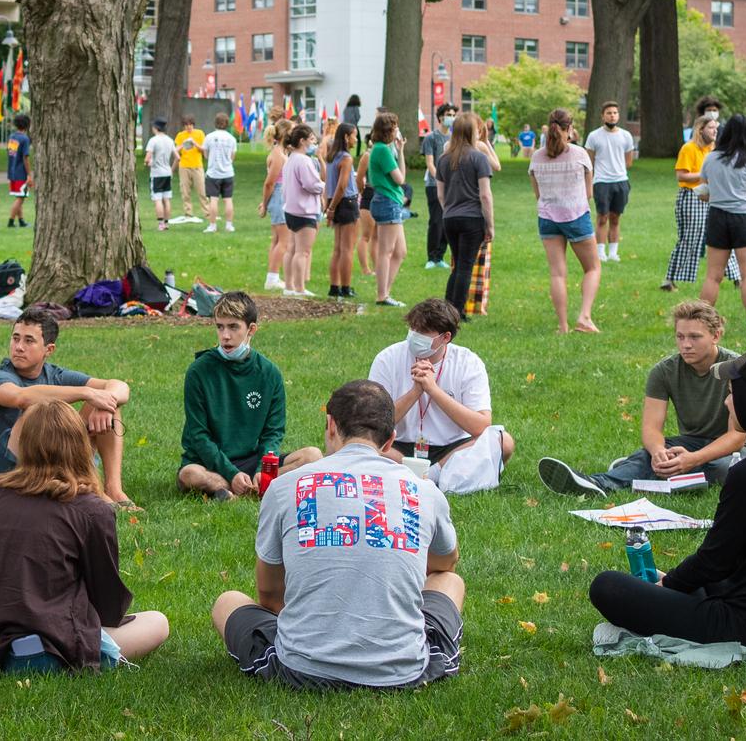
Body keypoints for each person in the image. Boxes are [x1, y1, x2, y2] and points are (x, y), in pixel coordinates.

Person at [211, 380, 464, 690]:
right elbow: (445, 564)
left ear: (331, 425)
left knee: (228, 601)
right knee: (450, 582)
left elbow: (269, 596)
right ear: (390, 441)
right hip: (403, 669)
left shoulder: (284, 488)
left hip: (301, 667)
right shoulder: (424, 491)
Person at [587, 347, 746, 643]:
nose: (726, 402)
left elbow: (716, 560)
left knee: (608, 586)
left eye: (733, 393)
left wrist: (669, 584)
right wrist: (675, 581)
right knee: (681, 583)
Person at [0, 401, 169, 671]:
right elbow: (106, 600)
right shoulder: (92, 509)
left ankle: (0, 643)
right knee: (157, 622)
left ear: (26, 446)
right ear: (80, 445)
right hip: (56, 641)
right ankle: (39, 654)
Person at [538, 300, 746, 497]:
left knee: (724, 469)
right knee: (655, 454)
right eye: (680, 337)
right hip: (690, 443)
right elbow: (651, 428)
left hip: (739, 450)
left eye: (695, 337)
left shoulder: (737, 369)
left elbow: (736, 437)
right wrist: (657, 452)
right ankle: (598, 483)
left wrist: (693, 459)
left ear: (716, 336)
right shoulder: (664, 371)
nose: (686, 345)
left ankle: (637, 469)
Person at [0, 307, 136, 508]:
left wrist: (105, 402)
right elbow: (21, 398)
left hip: (50, 458)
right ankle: (88, 488)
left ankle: (113, 489)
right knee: (34, 412)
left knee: (108, 403)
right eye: (15, 338)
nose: (18, 347)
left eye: (29, 341)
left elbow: (120, 386)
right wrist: (87, 393)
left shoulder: (54, 374)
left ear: (49, 349)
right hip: (6, 470)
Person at [177, 291, 323, 500]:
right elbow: (198, 435)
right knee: (189, 474)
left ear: (251, 329)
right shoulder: (199, 371)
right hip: (209, 462)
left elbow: (273, 432)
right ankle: (245, 487)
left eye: (233, 327)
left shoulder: (269, 373)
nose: (225, 335)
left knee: (313, 456)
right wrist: (231, 473)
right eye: (220, 327)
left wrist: (263, 469)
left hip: (252, 458)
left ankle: (244, 487)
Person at [368, 298, 513, 490]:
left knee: (504, 442)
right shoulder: (387, 358)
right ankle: (428, 475)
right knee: (358, 442)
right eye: (413, 329)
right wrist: (415, 392)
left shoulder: (468, 362)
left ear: (446, 337)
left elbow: (481, 425)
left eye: (423, 333)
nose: (414, 336)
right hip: (396, 446)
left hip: (451, 449)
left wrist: (433, 390)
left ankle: (434, 473)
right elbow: (373, 423)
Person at [526, 108, 600, 334]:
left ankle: (562, 326)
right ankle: (584, 317)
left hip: (547, 218)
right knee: (593, 268)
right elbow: (588, 192)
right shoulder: (579, 154)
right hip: (576, 215)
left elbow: (537, 194)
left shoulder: (537, 156)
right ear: (569, 128)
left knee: (557, 273)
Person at [699, 114, 746, 333]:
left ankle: (700, 321)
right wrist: (743, 203)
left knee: (713, 275)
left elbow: (703, 192)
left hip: (717, 217)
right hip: (744, 218)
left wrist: (720, 198)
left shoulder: (711, 158)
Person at [662, 114, 738, 292]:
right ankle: (669, 280)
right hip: (692, 196)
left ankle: (737, 277)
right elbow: (681, 176)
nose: (715, 131)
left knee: (725, 236)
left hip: (714, 196)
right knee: (690, 238)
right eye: (711, 127)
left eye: (716, 128)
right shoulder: (688, 149)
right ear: (700, 129)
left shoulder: (714, 149)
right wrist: (705, 174)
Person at [435, 114, 493, 313]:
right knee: (465, 266)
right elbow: (485, 195)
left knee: (458, 264)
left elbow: (440, 195)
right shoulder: (478, 158)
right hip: (472, 218)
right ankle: (457, 311)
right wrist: (490, 225)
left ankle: (447, 307)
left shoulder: (443, 159)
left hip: (449, 217)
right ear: (471, 132)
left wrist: (449, 211)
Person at [363, 112, 414, 307]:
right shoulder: (382, 150)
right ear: (388, 130)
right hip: (387, 202)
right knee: (386, 251)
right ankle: (382, 295)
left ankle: (386, 292)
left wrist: (400, 150)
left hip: (391, 201)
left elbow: (401, 176)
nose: (397, 131)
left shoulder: (384, 149)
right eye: (395, 127)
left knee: (400, 251)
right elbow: (400, 179)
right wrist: (396, 151)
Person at [582, 101, 636, 262]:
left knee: (615, 218)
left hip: (621, 182)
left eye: (615, 113)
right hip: (601, 182)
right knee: (602, 217)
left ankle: (613, 253)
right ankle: (600, 252)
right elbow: (589, 161)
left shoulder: (625, 136)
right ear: (602, 116)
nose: (612, 116)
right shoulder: (594, 136)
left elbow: (629, 161)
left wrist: (617, 171)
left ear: (618, 115)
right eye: (609, 113)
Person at [278, 123, 325, 298]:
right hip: (304, 211)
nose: (314, 143)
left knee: (291, 249)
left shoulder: (290, 159)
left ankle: (289, 286)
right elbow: (311, 184)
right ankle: (299, 288)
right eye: (311, 139)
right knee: (302, 252)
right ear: (302, 141)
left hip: (291, 210)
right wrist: (325, 186)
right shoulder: (304, 160)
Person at [322, 122, 361, 298]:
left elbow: (328, 184)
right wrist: (331, 208)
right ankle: (346, 287)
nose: (356, 139)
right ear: (346, 137)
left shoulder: (331, 156)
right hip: (347, 203)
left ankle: (334, 286)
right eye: (354, 135)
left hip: (335, 203)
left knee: (337, 248)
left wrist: (329, 206)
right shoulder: (346, 158)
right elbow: (342, 185)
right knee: (347, 249)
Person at [418, 103, 456, 270]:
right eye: (449, 114)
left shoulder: (454, 139)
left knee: (448, 221)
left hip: (452, 186)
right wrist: (441, 180)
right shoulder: (431, 138)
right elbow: (430, 164)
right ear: (441, 116)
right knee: (436, 221)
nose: (451, 117)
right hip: (434, 185)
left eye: (453, 114)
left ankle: (440, 255)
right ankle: (431, 257)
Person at [260, 120, 290, 288]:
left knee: (277, 239)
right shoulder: (278, 154)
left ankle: (273, 276)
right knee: (283, 241)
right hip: (279, 196)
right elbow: (269, 183)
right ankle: (272, 278)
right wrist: (264, 204)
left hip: (279, 195)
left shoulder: (280, 152)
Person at [202, 111, 237, 233]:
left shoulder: (209, 137)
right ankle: (229, 225)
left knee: (213, 199)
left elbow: (205, 154)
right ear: (227, 124)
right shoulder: (232, 139)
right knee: (228, 199)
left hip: (213, 173)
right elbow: (232, 156)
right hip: (228, 172)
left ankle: (212, 225)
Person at [144, 117, 176, 232]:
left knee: (158, 199)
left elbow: (148, 158)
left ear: (156, 128)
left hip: (157, 174)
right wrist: (171, 170)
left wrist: (147, 163)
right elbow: (177, 157)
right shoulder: (170, 140)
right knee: (166, 199)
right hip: (167, 172)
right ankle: (167, 223)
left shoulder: (153, 140)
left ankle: (161, 223)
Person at [174, 115, 205, 223]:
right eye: (186, 125)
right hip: (184, 166)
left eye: (190, 125)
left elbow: (203, 150)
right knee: (185, 191)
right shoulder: (180, 135)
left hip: (197, 166)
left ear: (193, 125)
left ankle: (208, 212)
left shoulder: (199, 133)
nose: (189, 127)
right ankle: (188, 213)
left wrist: (194, 143)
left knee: (202, 190)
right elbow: (175, 150)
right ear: (184, 126)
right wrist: (183, 144)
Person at [6, 112, 32, 228]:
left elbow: (11, 154)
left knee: (19, 196)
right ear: (27, 125)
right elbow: (25, 157)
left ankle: (21, 220)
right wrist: (29, 175)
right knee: (21, 198)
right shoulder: (25, 139)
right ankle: (11, 221)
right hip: (21, 173)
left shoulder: (12, 137)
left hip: (11, 172)